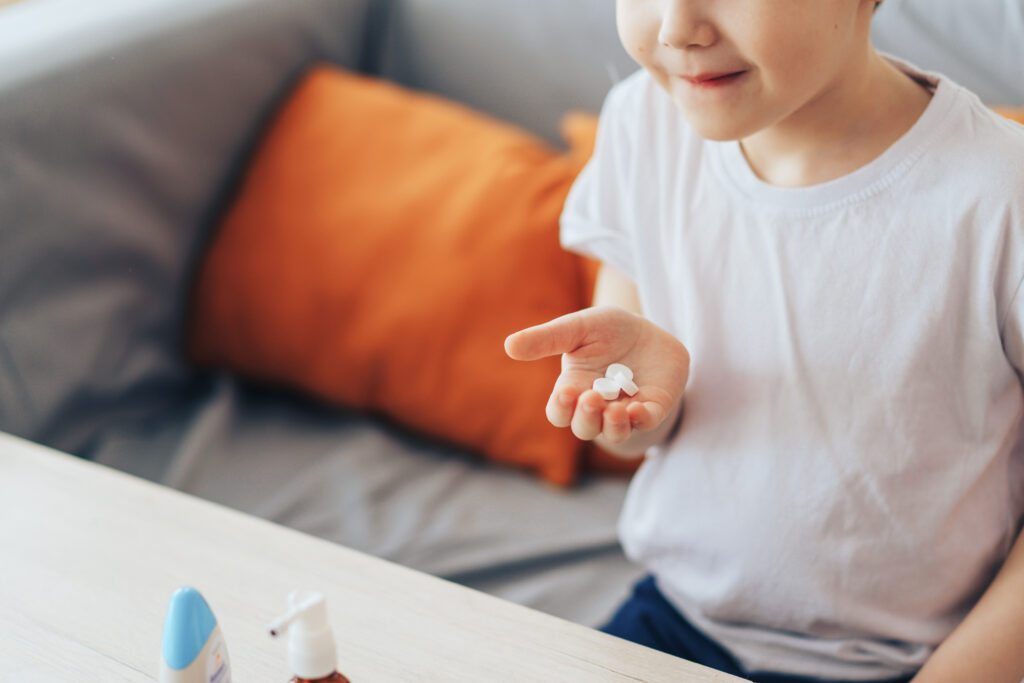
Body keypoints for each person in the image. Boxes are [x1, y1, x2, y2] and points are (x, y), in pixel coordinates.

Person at [504, 0, 1024, 681]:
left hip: (912, 661)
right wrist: (633, 412)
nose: (676, 27)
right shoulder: (644, 125)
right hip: (679, 621)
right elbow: (632, 431)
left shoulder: (999, 193)